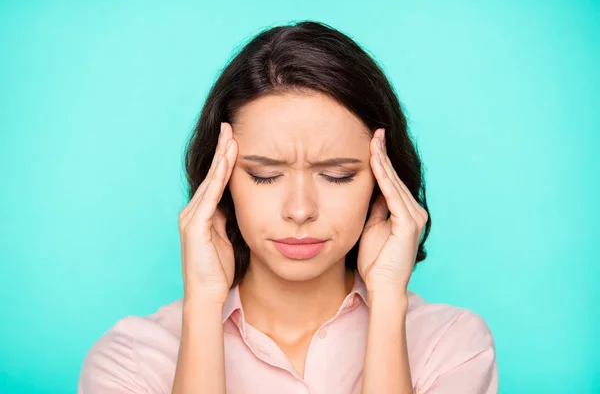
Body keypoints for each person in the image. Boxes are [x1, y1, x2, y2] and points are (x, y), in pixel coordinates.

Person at [78, 20, 498, 394]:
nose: (300, 211)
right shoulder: (130, 361)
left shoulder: (451, 345)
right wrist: (203, 307)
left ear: (382, 185)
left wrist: (388, 303)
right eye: (264, 174)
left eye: (337, 175)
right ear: (219, 183)